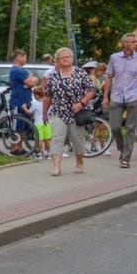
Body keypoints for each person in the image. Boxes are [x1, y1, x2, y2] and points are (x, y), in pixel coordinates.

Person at [102, 33, 137, 169]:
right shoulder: (114, 58)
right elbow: (109, 77)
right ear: (124, 43)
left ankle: (126, 158)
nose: (134, 44)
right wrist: (105, 97)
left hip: (133, 95)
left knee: (130, 128)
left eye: (135, 42)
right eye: (131, 42)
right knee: (115, 127)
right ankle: (123, 147)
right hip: (117, 96)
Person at [44, 47, 96, 177]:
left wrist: (82, 103)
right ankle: (56, 166)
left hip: (76, 112)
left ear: (72, 59)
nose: (66, 59)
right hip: (58, 111)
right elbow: (48, 96)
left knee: (77, 140)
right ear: (57, 60)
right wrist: (44, 113)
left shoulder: (80, 73)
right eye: (62, 57)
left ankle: (79, 161)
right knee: (57, 138)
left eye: (68, 57)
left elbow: (91, 90)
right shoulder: (53, 76)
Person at [7, 50, 37, 155]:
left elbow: (33, 82)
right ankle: (13, 148)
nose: (26, 59)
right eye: (25, 57)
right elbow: (31, 82)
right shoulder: (16, 71)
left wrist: (31, 82)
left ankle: (20, 148)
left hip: (25, 102)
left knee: (22, 128)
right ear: (18, 57)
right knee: (15, 127)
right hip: (18, 102)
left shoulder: (23, 71)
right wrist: (30, 82)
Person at [31, 80, 52, 159]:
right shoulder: (48, 102)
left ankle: (39, 154)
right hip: (47, 122)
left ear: (37, 95)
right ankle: (48, 153)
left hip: (38, 124)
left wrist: (24, 108)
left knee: (39, 139)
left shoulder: (35, 104)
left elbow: (29, 112)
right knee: (48, 139)